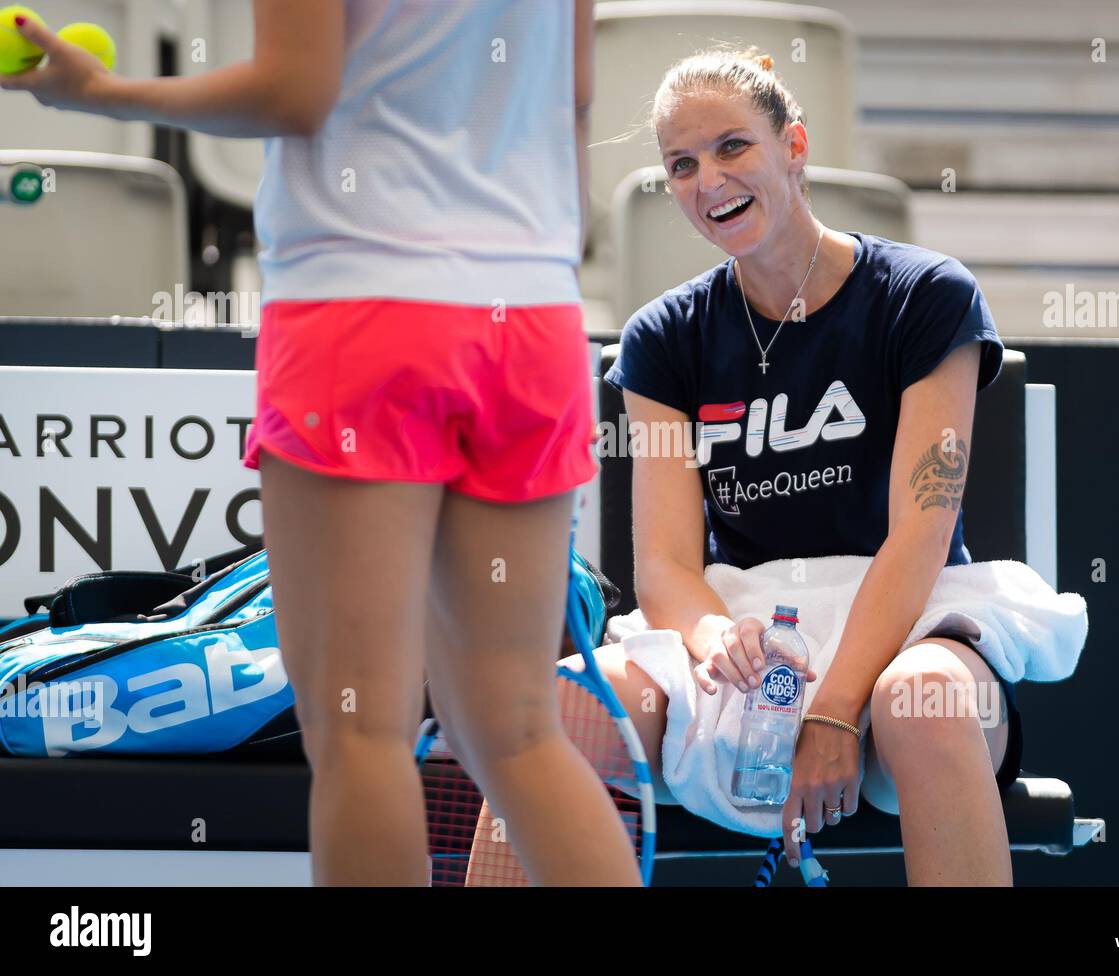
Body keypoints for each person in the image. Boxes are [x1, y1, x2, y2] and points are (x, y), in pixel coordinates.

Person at [2, 0, 642, 886]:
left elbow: (295, 92)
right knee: (519, 732)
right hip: (532, 324)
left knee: (359, 735)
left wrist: (102, 92)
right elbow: (573, 97)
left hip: (364, 309)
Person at [474, 45, 1022, 886]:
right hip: (746, 634)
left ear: (793, 146)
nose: (708, 180)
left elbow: (922, 531)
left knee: (927, 705)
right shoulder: (660, 341)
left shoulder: (927, 295)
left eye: (733, 147)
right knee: (556, 707)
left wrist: (835, 712)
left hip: (909, 620)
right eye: (681, 164)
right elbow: (662, 564)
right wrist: (719, 636)